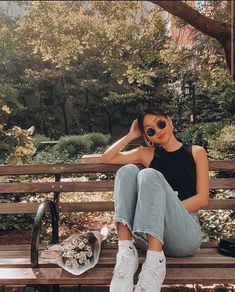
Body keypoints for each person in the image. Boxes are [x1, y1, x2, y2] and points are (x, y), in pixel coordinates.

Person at [101, 105, 209, 292]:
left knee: (149, 175)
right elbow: (107, 158)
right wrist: (131, 136)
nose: (158, 131)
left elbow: (202, 199)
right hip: (148, 236)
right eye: (150, 130)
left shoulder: (196, 152)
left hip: (184, 235)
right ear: (147, 137)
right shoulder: (146, 154)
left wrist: (163, 210)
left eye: (160, 123)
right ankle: (126, 255)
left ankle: (155, 264)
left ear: (169, 120)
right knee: (127, 170)